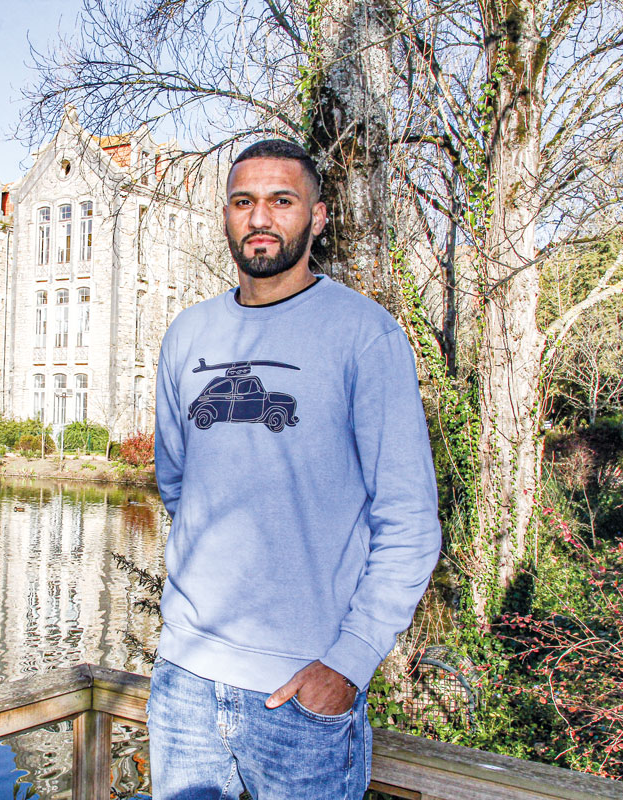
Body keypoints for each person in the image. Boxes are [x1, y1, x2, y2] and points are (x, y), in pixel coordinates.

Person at [149, 139, 442, 799]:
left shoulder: (365, 335)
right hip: (185, 682)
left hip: (302, 695)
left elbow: (410, 521)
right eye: (243, 201)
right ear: (225, 215)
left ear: (317, 216)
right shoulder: (188, 335)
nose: (260, 217)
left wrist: (349, 663)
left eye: (282, 200)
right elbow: (178, 484)